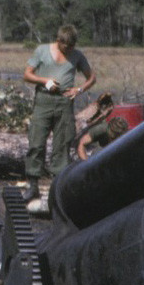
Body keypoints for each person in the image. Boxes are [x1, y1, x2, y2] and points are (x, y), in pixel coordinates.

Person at [21, 25, 96, 212]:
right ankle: (33, 186)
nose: (69, 50)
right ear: (59, 41)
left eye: (72, 47)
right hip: (43, 102)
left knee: (62, 145)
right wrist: (45, 81)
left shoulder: (77, 56)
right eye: (66, 46)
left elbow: (92, 77)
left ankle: (57, 188)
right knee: (36, 142)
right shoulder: (42, 51)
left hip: (64, 103)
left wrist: (79, 90)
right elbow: (27, 74)